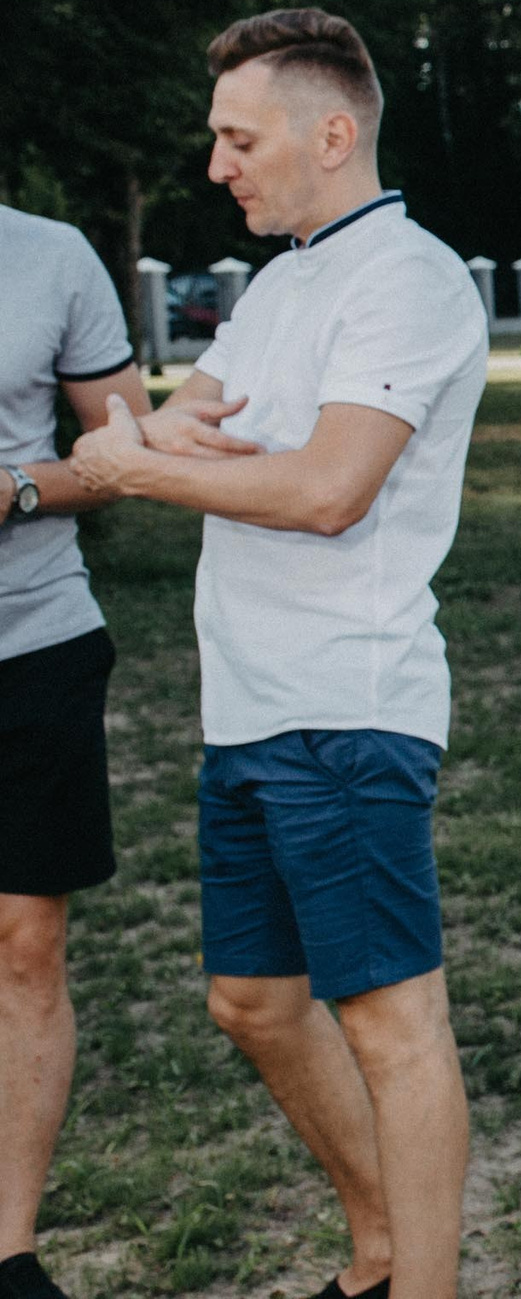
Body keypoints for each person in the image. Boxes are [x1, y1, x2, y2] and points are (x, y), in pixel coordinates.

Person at [68, 9, 487, 1299]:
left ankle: (421, 1287)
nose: (218, 166)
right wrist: (163, 449)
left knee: (392, 1025)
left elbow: (326, 491)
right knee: (251, 1004)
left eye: (237, 139)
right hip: (246, 713)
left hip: (346, 707)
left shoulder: (407, 279)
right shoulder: (283, 285)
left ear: (333, 132)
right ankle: (375, 1253)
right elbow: (181, 422)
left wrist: (147, 464)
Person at [0, 211, 148, 1299]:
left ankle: (8, 1251)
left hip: (34, 642)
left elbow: (130, 455)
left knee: (22, 943)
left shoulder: (50, 257)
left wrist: (13, 490)